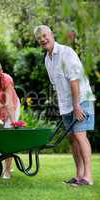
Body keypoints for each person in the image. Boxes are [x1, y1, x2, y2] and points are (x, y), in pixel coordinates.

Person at [34, 25, 95, 186]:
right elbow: (56, 85)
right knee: (72, 139)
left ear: (52, 35)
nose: (43, 39)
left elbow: (74, 80)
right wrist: (64, 106)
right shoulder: (47, 59)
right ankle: (79, 175)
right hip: (67, 104)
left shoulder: (66, 53)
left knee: (81, 136)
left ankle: (88, 177)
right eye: (39, 39)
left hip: (81, 99)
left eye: (45, 36)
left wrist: (76, 106)